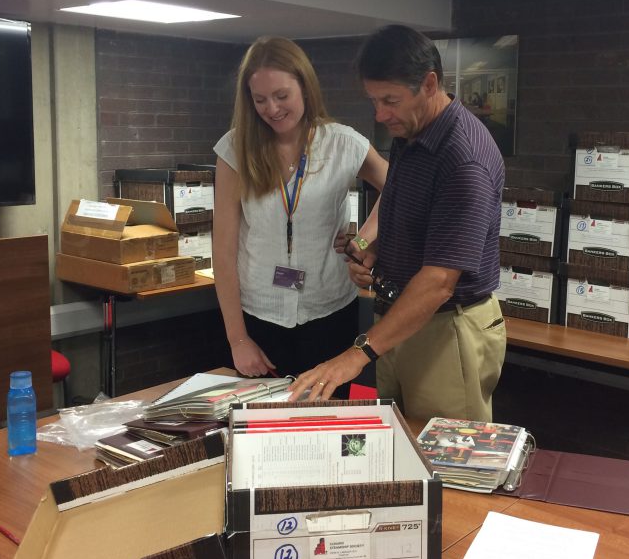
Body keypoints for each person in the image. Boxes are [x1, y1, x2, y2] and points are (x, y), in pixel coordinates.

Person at [289, 25, 507, 421]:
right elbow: (410, 210)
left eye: (389, 100)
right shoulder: (412, 130)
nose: (380, 114)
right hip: (400, 320)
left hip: (446, 327)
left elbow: (440, 281)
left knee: (447, 460)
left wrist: (356, 355)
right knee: (395, 447)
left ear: (428, 84)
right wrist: (376, 251)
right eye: (374, 100)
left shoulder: (464, 159)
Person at [212, 36, 388, 395]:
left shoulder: (343, 143)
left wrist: (363, 239)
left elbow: (401, 188)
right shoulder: (235, 149)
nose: (271, 108)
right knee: (263, 436)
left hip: (329, 314)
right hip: (259, 317)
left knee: (322, 432)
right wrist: (237, 339)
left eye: (281, 95)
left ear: (305, 87)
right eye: (259, 99)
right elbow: (223, 250)